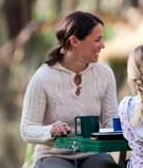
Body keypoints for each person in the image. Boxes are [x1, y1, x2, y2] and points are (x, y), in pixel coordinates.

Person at [20, 11, 119, 168]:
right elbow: (26, 129)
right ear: (74, 41)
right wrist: (50, 130)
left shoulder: (104, 74)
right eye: (97, 40)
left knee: (106, 166)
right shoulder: (43, 78)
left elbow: (110, 122)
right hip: (53, 155)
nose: (103, 45)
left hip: (92, 154)